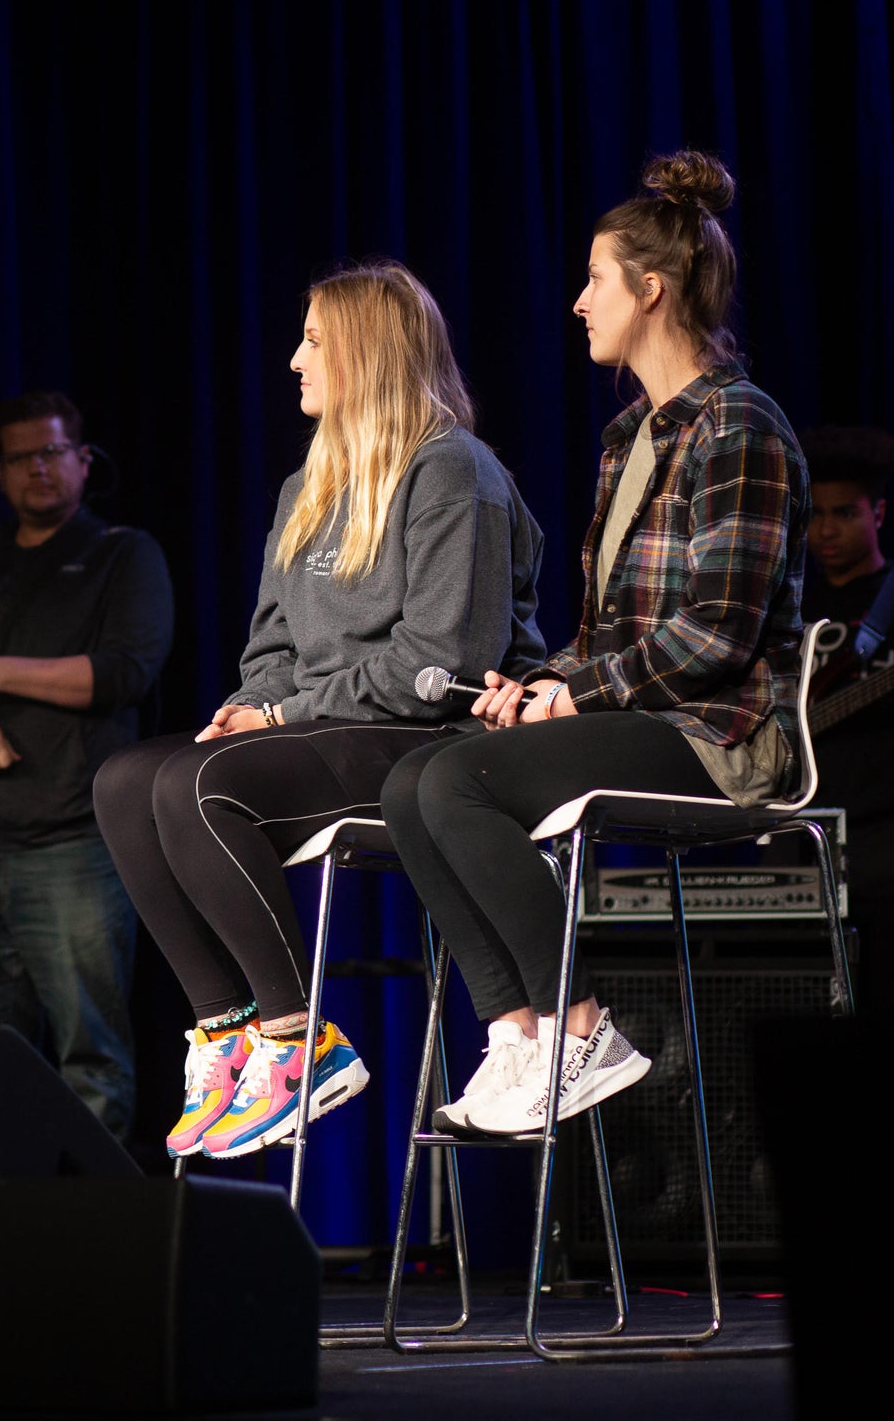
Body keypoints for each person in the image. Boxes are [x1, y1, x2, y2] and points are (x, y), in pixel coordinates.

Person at [382, 151, 809, 1137]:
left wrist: (577, 697)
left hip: (718, 735)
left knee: (459, 785)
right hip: (645, 711)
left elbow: (713, 634)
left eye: (594, 280)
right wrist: (537, 684)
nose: (577, 301)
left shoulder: (737, 425)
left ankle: (583, 1026)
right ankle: (521, 1033)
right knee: (414, 779)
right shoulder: (630, 436)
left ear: (648, 290)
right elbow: (607, 636)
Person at [95, 260, 545, 1161]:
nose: (295, 359)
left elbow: (441, 660)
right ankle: (229, 1036)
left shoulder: (453, 469)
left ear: (369, 355)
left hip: (430, 742)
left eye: (314, 340)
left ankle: (299, 1041)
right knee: (123, 778)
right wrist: (249, 706)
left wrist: (283, 715)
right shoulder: (306, 488)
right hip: (324, 728)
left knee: (201, 785)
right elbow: (269, 648)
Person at [0, 390, 172, 1139]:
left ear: (82, 460)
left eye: (51, 452)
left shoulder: (120, 553)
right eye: (20, 457)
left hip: (72, 840)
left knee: (90, 1053)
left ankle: (87, 1232)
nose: (37, 469)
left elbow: (124, 672)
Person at [794, 424, 891, 1000]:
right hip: (802, 830)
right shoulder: (792, 605)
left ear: (878, 514)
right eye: (816, 515)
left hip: (883, 830)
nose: (826, 530)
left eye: (845, 514)